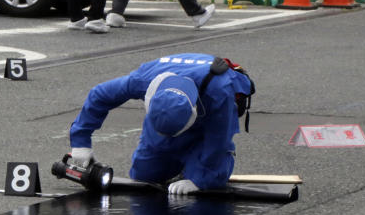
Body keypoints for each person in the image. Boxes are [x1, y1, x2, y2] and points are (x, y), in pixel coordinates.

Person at [66, 53, 254, 195]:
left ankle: (201, 164)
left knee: (212, 179)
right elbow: (99, 95)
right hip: (168, 116)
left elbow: (218, 139)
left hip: (207, 121)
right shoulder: (143, 80)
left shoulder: (219, 92)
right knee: (145, 177)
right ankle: (178, 156)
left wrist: (199, 180)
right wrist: (80, 142)